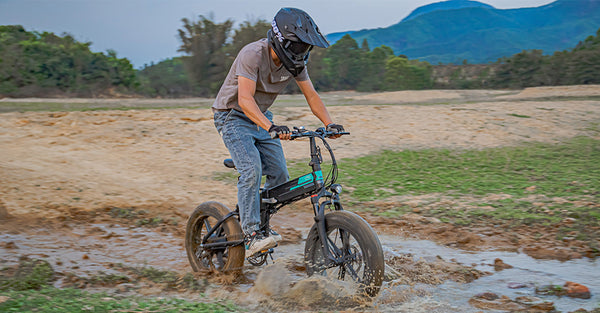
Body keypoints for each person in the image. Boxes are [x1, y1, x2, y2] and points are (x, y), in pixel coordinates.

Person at [212, 7, 344, 258]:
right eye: (298, 47)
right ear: (281, 40)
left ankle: (256, 216)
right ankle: (251, 235)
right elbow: (244, 100)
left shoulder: (296, 65)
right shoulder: (252, 54)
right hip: (232, 116)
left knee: (280, 177)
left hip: (262, 118)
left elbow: (312, 96)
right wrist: (270, 127)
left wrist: (329, 123)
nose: (301, 53)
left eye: (306, 48)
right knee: (251, 170)